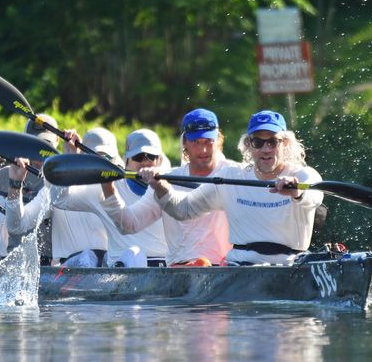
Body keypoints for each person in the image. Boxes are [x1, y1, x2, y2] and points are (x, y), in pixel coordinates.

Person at [137, 110, 324, 266]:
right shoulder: (231, 177)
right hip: (240, 269)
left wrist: (296, 192)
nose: (265, 149)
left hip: (289, 266)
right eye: (258, 142)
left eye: (272, 142)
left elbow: (315, 197)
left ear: (285, 144)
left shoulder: (304, 176)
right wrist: (159, 185)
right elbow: (182, 210)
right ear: (248, 146)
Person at [99, 108, 232, 266]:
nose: (203, 150)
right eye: (196, 142)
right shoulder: (166, 179)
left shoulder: (234, 174)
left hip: (225, 274)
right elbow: (128, 225)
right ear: (185, 143)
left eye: (208, 142)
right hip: (180, 273)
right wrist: (108, 188)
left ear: (218, 140)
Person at [47, 128, 170, 267]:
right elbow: (60, 200)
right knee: (133, 254)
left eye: (151, 157)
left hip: (162, 273)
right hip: (120, 273)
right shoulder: (103, 189)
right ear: (126, 160)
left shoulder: (171, 190)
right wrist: (69, 159)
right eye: (139, 157)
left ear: (159, 160)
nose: (145, 162)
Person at [3, 115, 108, 266]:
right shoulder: (51, 190)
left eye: (105, 158)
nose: (39, 152)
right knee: (86, 258)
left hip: (108, 271)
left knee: (91, 258)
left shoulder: (115, 189)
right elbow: (16, 226)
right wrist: (15, 184)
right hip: (67, 273)